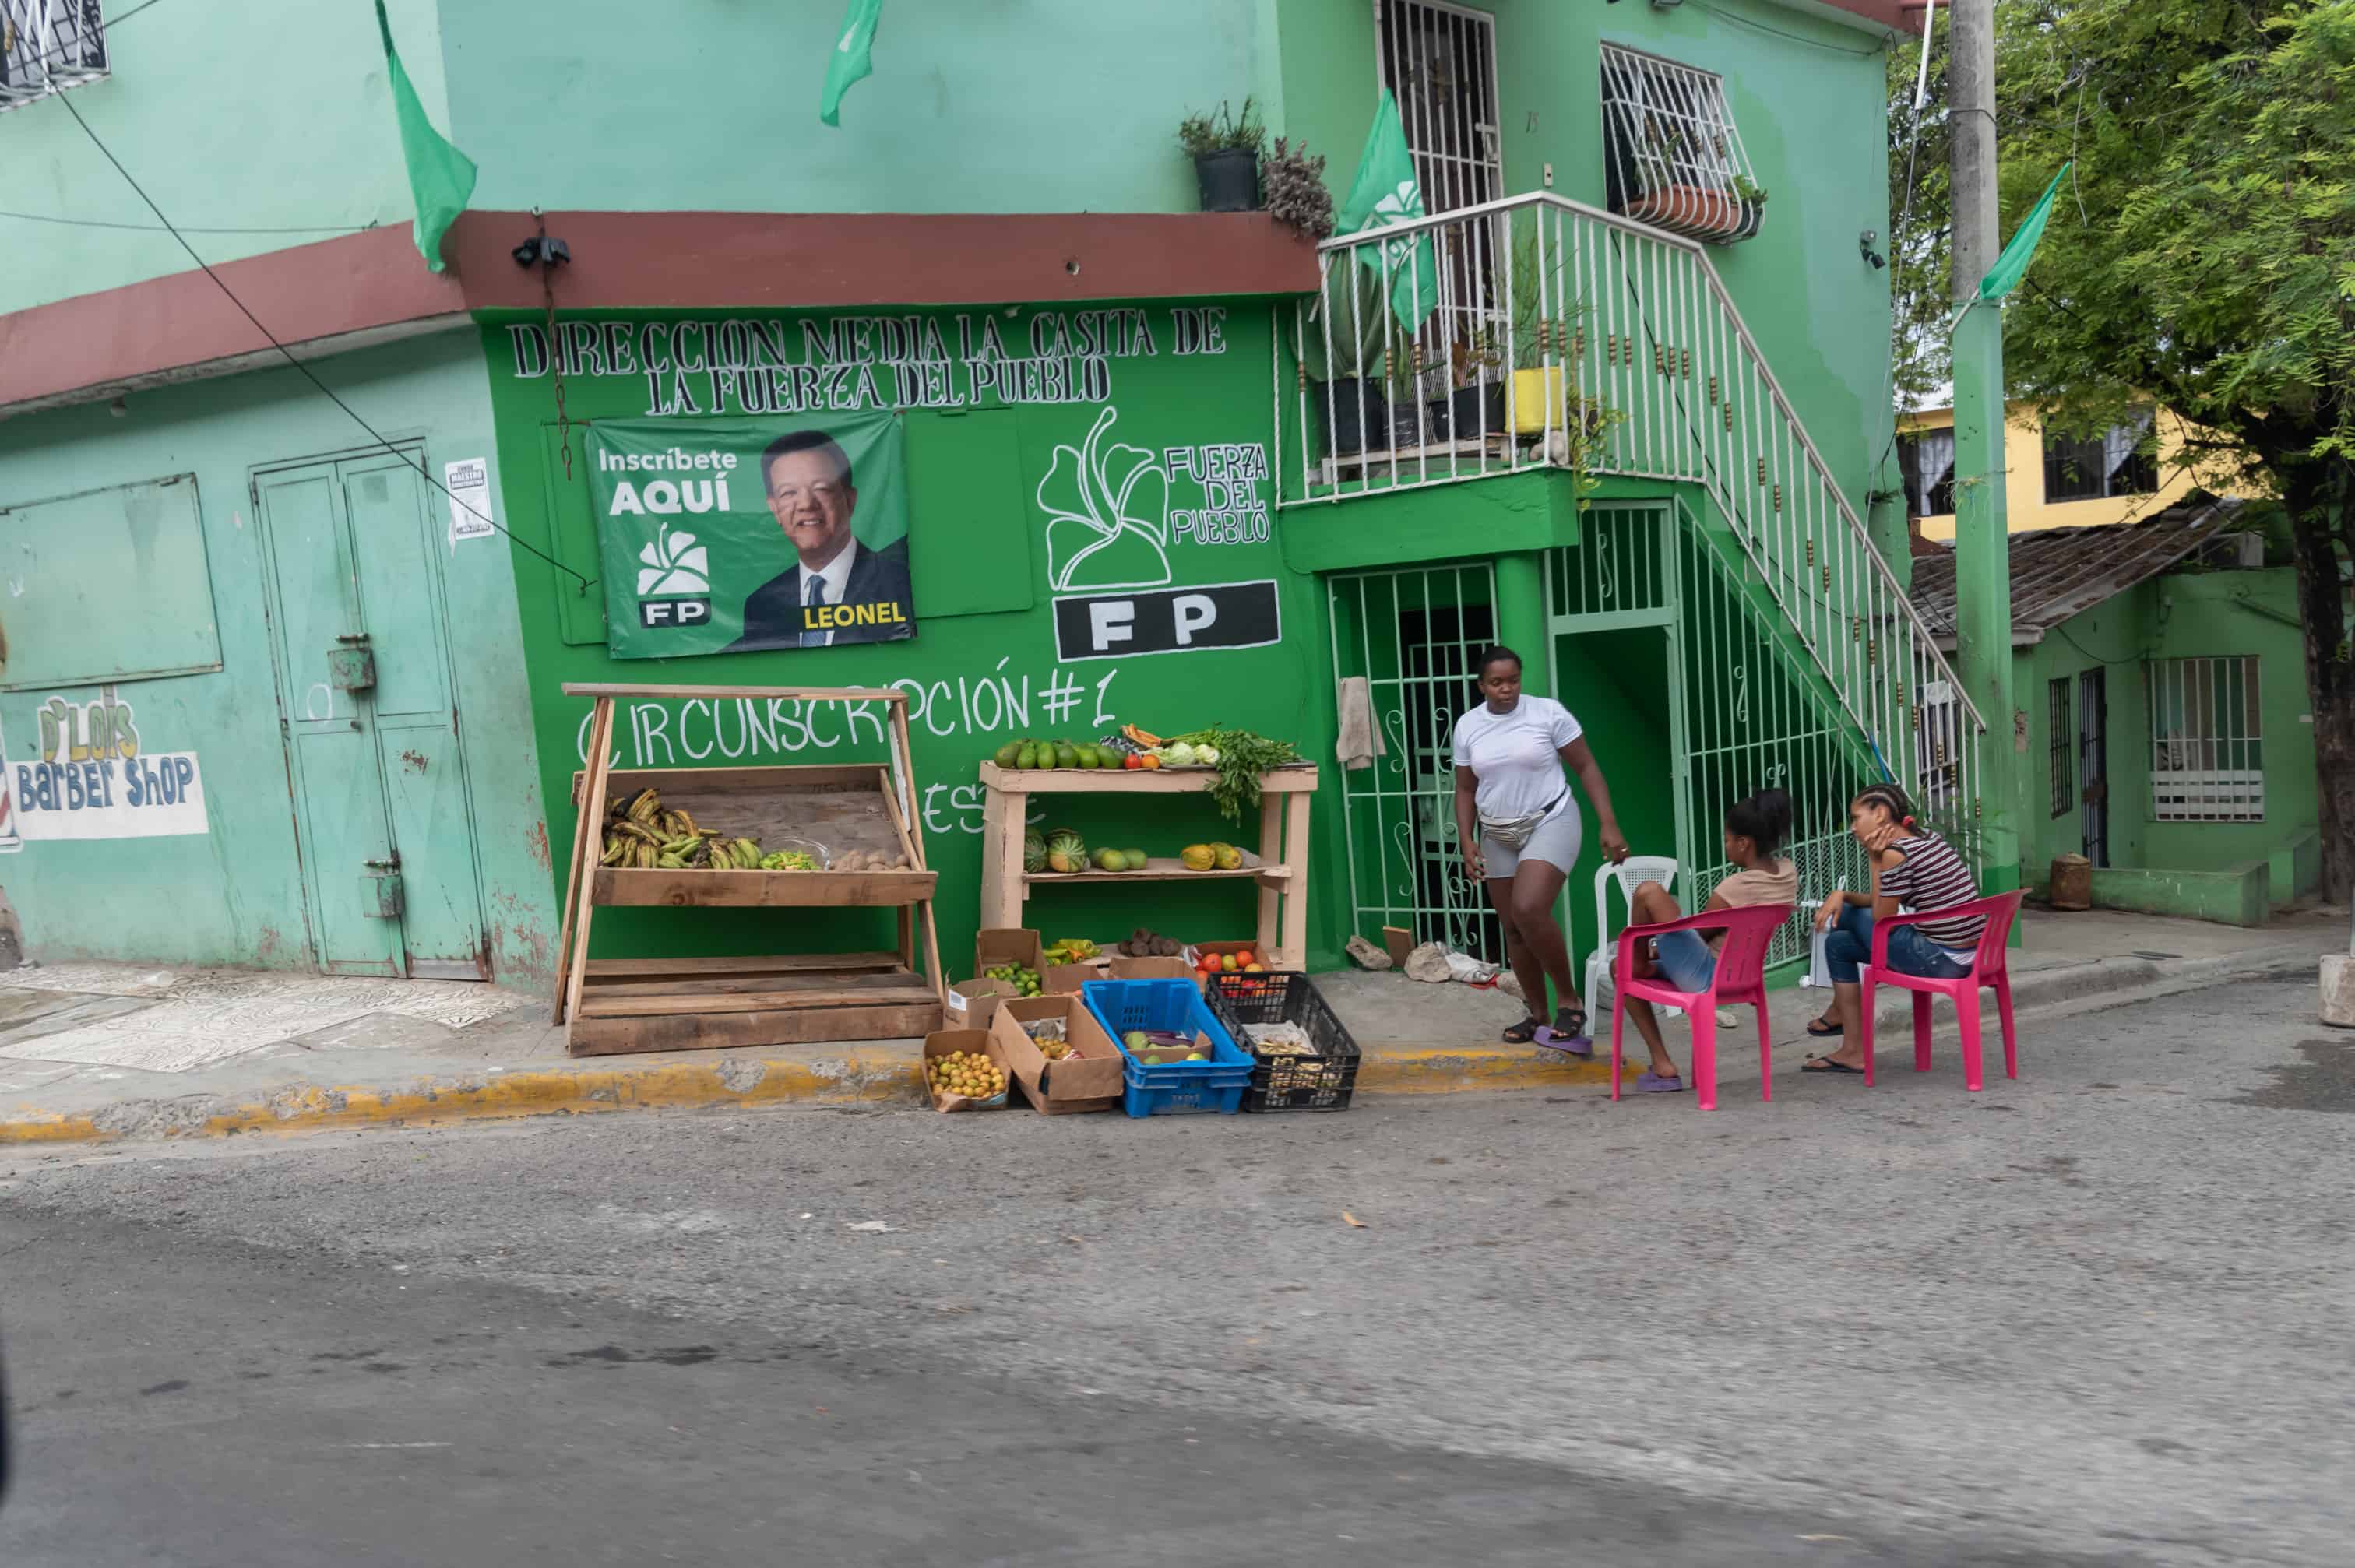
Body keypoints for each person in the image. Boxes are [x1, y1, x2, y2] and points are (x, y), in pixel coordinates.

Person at [1451, 645, 1632, 1051]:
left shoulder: (1548, 713)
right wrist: (1466, 839)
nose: (1506, 689)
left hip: (1550, 819)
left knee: (1529, 907)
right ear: (1481, 685)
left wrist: (1609, 823)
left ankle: (1569, 1001)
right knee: (1513, 927)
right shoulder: (1468, 726)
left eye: (1512, 680)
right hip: (1497, 831)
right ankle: (1538, 1014)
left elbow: (1586, 767)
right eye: (1496, 683)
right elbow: (1465, 787)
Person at [1617, 787, 1800, 1092]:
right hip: (1744, 976)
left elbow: (1701, 933)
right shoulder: (1787, 873)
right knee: (1617, 968)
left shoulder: (1735, 886)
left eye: (1728, 840)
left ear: (1744, 843)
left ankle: (1639, 963)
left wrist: (1656, 947)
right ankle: (1663, 1067)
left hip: (1706, 974)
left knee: (1648, 892)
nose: (1726, 846)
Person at [1801, 782, 1985, 1074]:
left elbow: (1880, 919)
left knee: (1846, 916)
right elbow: (1881, 905)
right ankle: (1852, 1050)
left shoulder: (1894, 854)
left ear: (1881, 814)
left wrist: (1874, 859)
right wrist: (1842, 894)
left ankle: (1840, 1017)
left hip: (1940, 959)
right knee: (1838, 945)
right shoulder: (1928, 839)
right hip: (1966, 956)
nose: (1852, 827)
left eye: (1856, 817)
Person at [730, 428, 914, 650]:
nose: (807, 504)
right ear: (775, 509)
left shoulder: (896, 581)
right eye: (789, 493)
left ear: (850, 500)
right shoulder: (761, 604)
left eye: (822, 489)